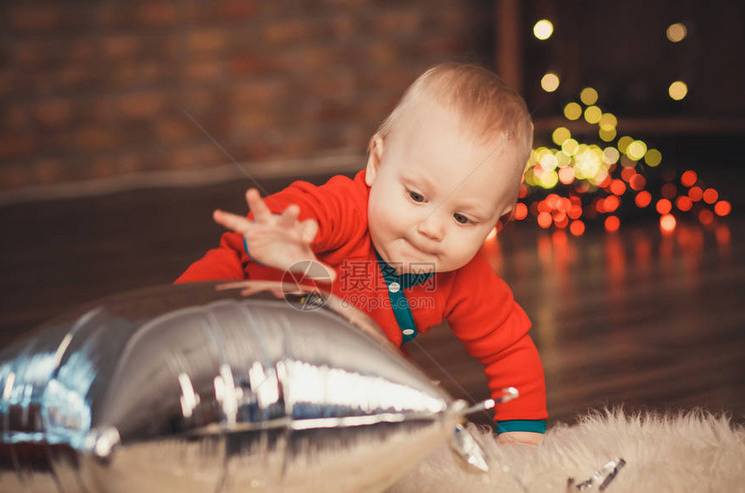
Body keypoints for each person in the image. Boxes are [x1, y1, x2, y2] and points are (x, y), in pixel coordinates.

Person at [176, 63, 547, 446]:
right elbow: (307, 207)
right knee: (182, 352)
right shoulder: (348, 208)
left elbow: (510, 349)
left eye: (463, 218)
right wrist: (290, 235)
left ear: (495, 223)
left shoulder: (467, 278)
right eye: (416, 196)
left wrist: (522, 436)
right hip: (235, 296)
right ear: (376, 163)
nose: (432, 228)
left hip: (311, 362)